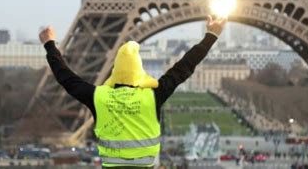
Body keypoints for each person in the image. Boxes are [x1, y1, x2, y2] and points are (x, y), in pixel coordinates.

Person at [39, 16, 227, 168]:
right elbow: (185, 66)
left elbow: (67, 79)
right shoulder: (152, 96)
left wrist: (50, 44)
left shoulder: (100, 97)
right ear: (139, 71)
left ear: (115, 71)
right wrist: (211, 35)